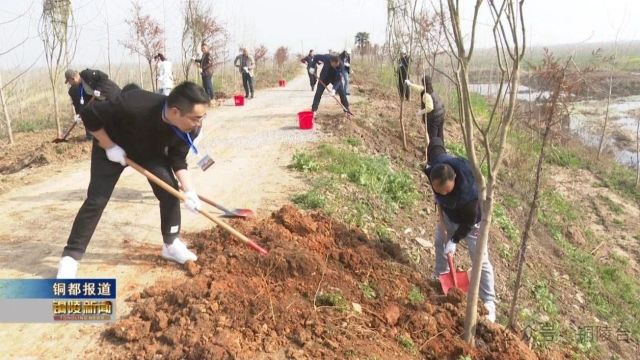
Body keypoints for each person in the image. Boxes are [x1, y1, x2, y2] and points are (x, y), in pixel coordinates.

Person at [56, 82, 210, 279]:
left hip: (148, 153)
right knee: (96, 200)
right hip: (111, 148)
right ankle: (71, 257)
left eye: (202, 117)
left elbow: (177, 159)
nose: (199, 123)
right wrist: (109, 146)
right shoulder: (134, 103)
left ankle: (170, 244)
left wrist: (189, 192)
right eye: (196, 118)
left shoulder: (189, 129)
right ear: (175, 112)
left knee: (170, 192)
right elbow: (88, 115)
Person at [425, 137, 496, 323]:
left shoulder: (468, 193)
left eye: (447, 191)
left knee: (480, 258)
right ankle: (441, 276)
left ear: (454, 178)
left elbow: (469, 222)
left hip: (471, 223)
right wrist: (434, 140)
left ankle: (489, 301)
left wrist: (455, 240)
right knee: (440, 241)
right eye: (439, 191)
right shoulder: (437, 166)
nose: (443, 194)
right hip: (449, 215)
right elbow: (436, 145)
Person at [65, 68, 121, 141]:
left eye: (69, 82)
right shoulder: (81, 86)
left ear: (73, 78)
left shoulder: (86, 74)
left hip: (112, 94)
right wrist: (79, 114)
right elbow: (84, 103)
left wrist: (98, 89)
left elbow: (104, 76)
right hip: (102, 100)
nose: (70, 84)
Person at [405, 75, 446, 142]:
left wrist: (420, 112)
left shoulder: (426, 95)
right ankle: (441, 149)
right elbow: (419, 88)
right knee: (440, 135)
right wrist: (410, 84)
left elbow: (430, 107)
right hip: (441, 115)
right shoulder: (431, 90)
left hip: (434, 118)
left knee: (433, 137)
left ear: (424, 83)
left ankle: (433, 151)